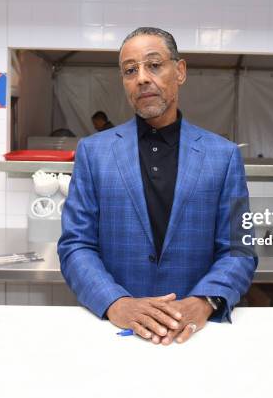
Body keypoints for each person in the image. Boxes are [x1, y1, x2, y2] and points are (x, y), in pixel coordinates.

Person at [58, 27, 257, 345]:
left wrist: (204, 301)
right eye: (130, 70)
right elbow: (76, 245)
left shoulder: (223, 156)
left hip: (193, 335)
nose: (142, 78)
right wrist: (116, 302)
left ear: (179, 71)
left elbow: (239, 250)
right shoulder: (94, 152)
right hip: (115, 333)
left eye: (154, 64)